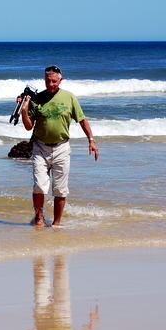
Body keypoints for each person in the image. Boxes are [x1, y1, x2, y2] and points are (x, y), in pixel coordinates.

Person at [17, 65, 99, 227]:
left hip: (62, 147)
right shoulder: (37, 98)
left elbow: (82, 120)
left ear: (60, 80)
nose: (51, 84)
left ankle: (56, 223)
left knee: (60, 190)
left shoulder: (69, 97)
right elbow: (28, 126)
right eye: (48, 81)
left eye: (54, 81)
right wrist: (24, 111)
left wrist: (91, 140)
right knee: (40, 186)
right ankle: (39, 217)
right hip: (40, 147)